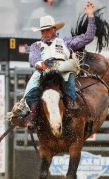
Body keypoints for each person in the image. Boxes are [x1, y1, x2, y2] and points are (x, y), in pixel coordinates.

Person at [23, 1, 96, 129]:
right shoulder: (36, 45)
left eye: (47, 30)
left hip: (64, 69)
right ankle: (33, 116)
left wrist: (90, 16)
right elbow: (33, 59)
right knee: (31, 90)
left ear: (54, 29)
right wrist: (41, 64)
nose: (44, 33)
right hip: (43, 70)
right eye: (43, 31)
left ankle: (70, 109)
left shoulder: (65, 42)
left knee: (70, 83)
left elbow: (88, 37)